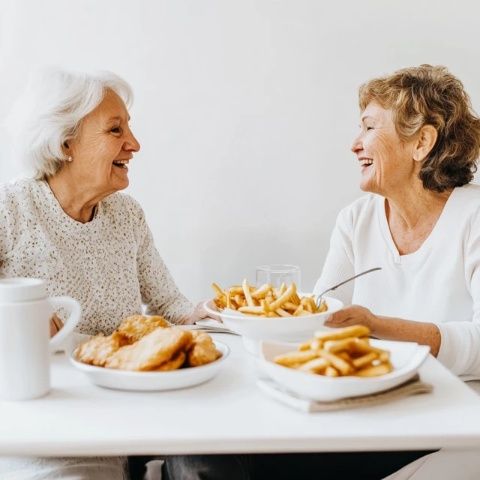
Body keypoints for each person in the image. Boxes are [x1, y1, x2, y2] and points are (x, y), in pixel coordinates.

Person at [160, 65, 480, 480]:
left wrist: (377, 325)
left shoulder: (473, 217)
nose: (354, 144)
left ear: (422, 141)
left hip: (435, 417)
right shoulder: (356, 219)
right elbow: (320, 319)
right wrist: (249, 320)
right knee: (199, 455)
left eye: (368, 127)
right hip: (358, 407)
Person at [0, 68, 205, 479]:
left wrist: (214, 313)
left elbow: (169, 304)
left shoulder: (126, 215)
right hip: (47, 426)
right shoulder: (12, 208)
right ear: (65, 143)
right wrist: (15, 313)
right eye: (116, 129)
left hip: (129, 412)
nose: (135, 143)